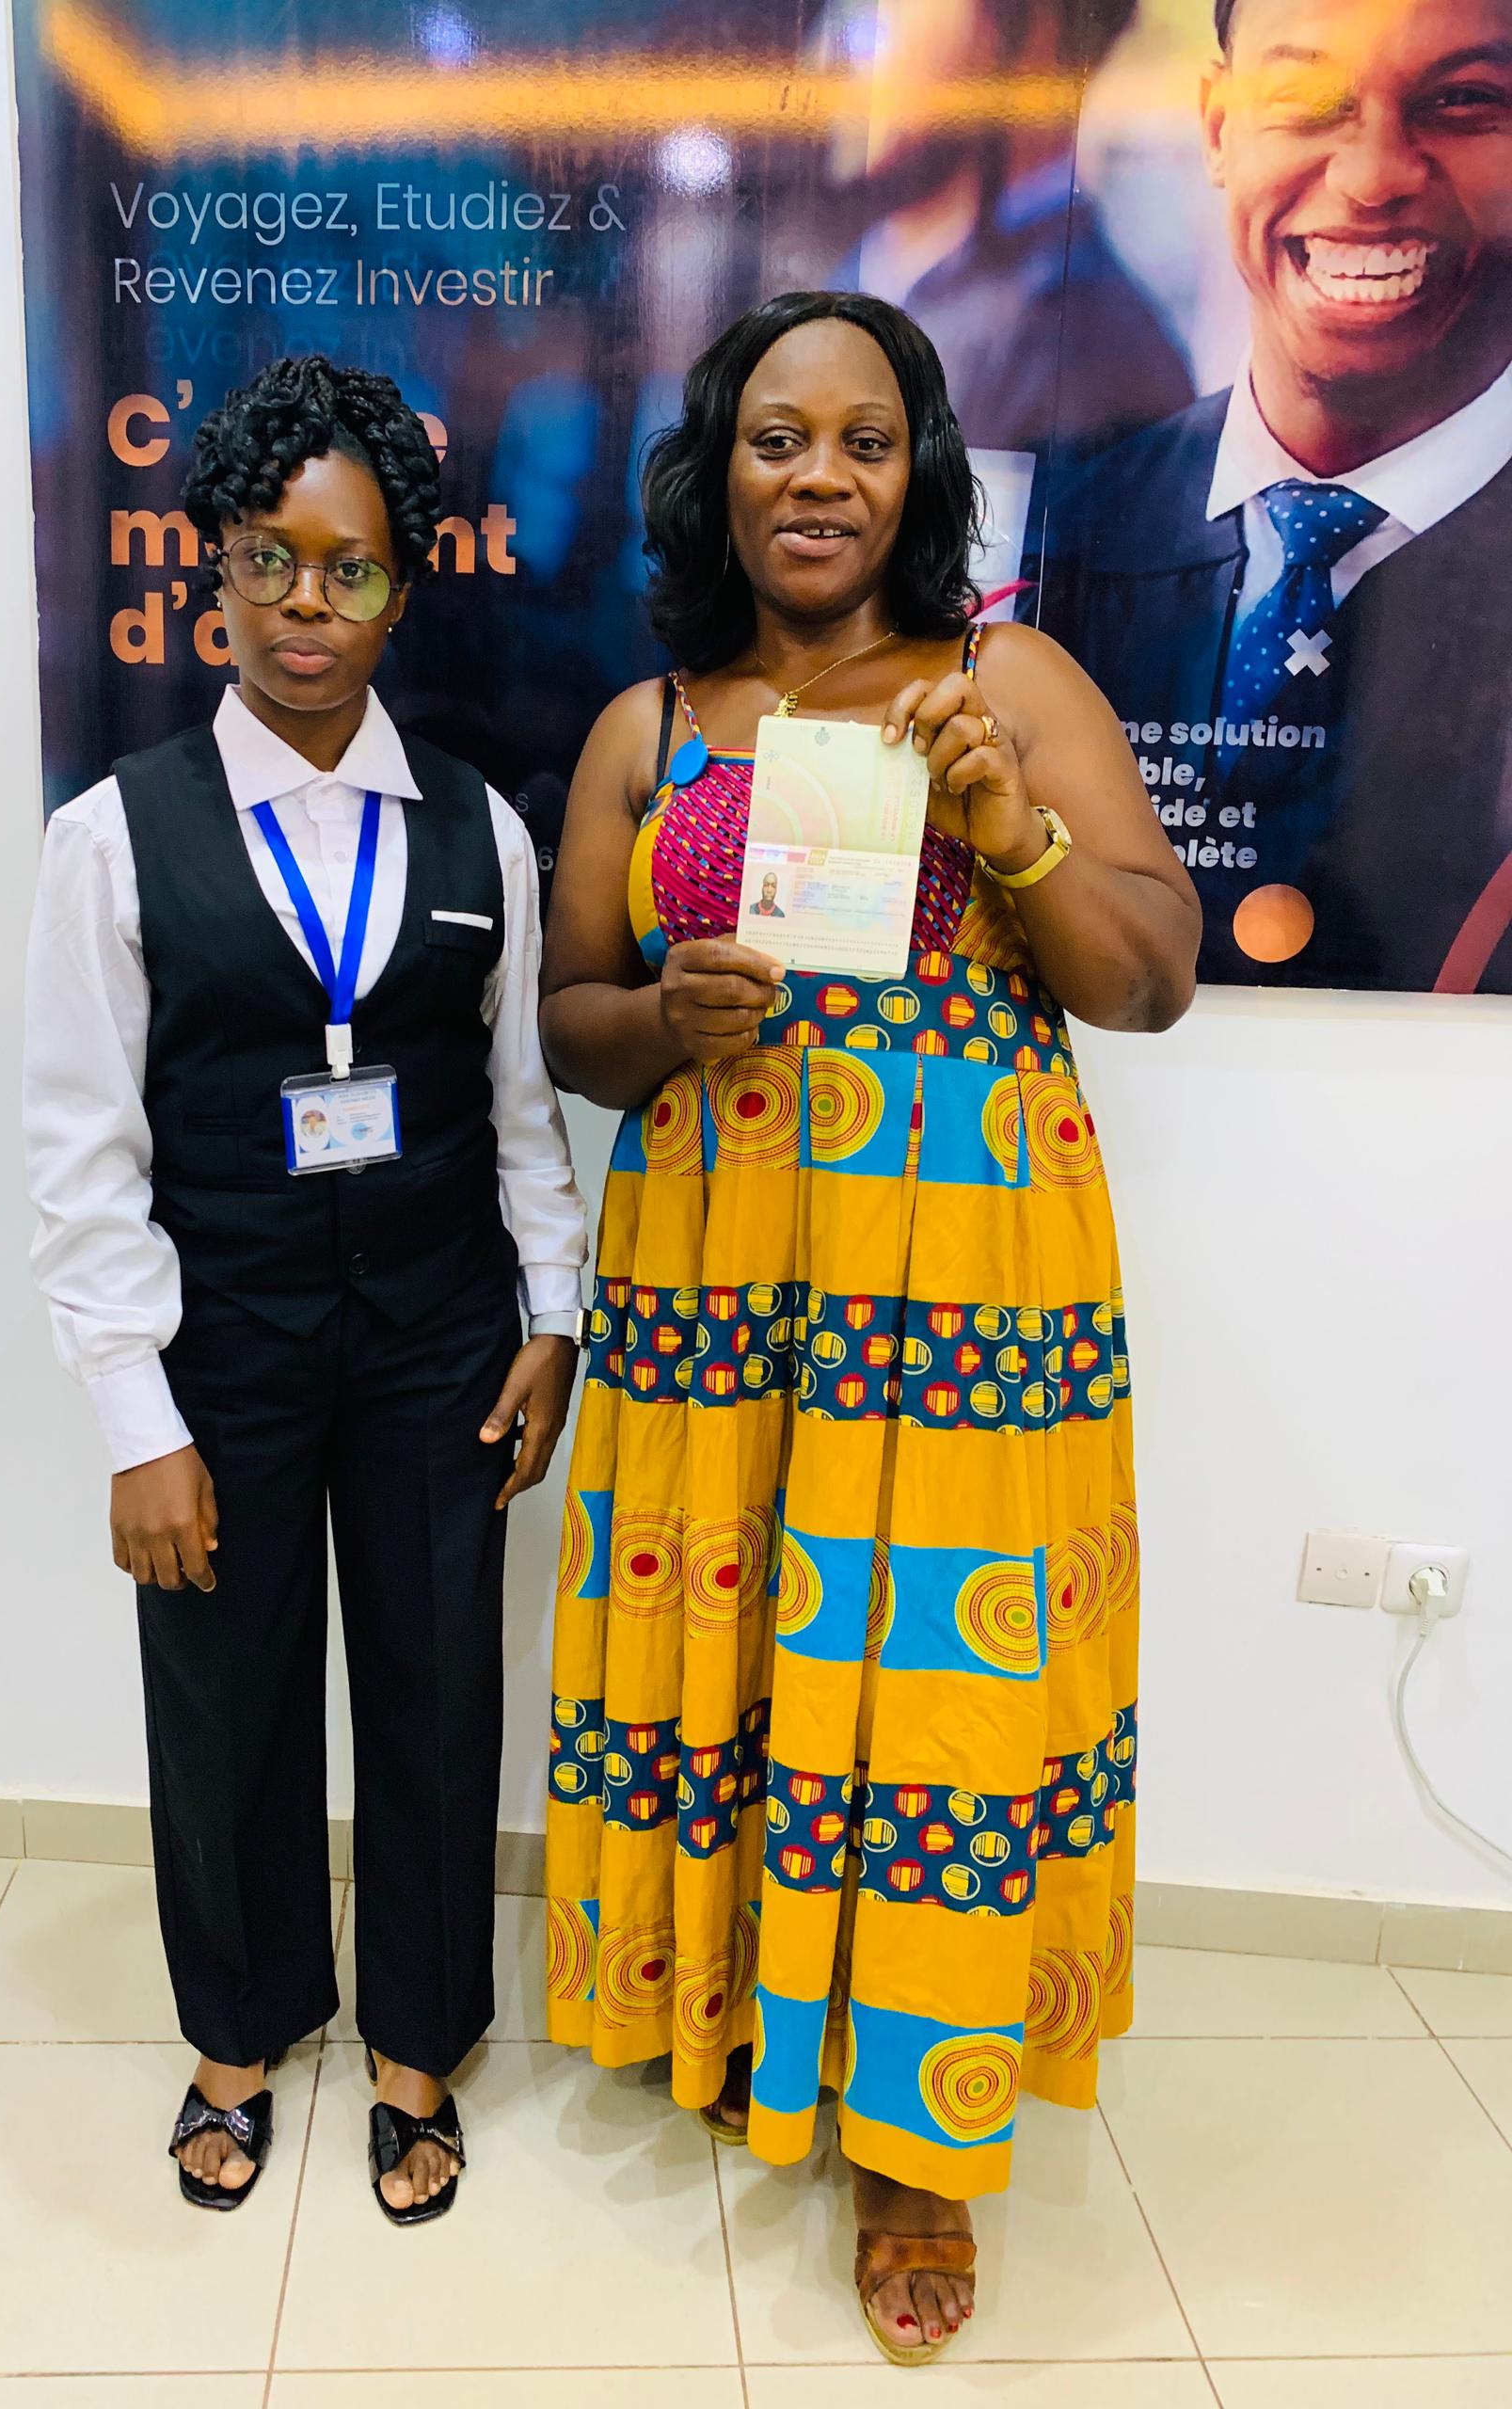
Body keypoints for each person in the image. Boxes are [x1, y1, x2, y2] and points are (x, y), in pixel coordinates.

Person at [538, 291, 1198, 2365]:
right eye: (774, 439)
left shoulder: (1010, 680)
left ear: (921, 475)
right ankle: (738, 2016)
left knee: (929, 1697)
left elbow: (1151, 976)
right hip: (718, 1293)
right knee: (742, 1658)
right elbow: (567, 1023)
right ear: (715, 472)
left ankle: (920, 2143)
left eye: (864, 440)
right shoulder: (649, 725)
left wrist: (1015, 827)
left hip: (959, 1315)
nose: (817, 476)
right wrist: (663, 1016)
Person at [24, 355, 589, 2223]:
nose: (305, 606)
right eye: (270, 560)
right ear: (215, 569)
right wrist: (137, 1420)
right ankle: (240, 2032)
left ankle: (421, 2041)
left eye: (349, 569)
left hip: (439, 1341)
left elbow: (520, 1107)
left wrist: (553, 1315)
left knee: (433, 1689)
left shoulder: (477, 828)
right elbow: (82, 1151)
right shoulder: (115, 837)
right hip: (228, 1348)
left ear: (402, 588)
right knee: (227, 1695)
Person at [1034, 0, 1512, 991]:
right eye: (1304, 100)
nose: (1372, 177)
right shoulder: (1064, 534)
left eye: (1462, 101)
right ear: (1218, 128)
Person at [825, 0, 1193, 458]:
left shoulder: (1082, 352)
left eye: (886, 10)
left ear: (1033, 33)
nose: (836, 46)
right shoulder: (876, 273)